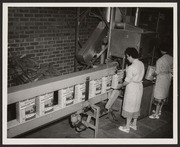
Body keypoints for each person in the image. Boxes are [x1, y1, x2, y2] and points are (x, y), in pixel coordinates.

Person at [115, 47, 145, 133]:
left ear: (129, 55)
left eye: (127, 57)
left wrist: (119, 86)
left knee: (129, 106)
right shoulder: (141, 63)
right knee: (136, 105)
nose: (127, 58)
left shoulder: (132, 67)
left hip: (132, 88)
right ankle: (134, 124)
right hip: (139, 87)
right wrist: (125, 70)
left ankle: (127, 127)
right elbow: (135, 73)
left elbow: (126, 81)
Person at [149, 43, 173, 119]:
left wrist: (151, 75)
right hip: (168, 78)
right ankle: (159, 111)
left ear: (161, 50)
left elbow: (156, 72)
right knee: (164, 95)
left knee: (159, 96)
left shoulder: (160, 60)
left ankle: (156, 114)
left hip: (161, 79)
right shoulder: (171, 58)